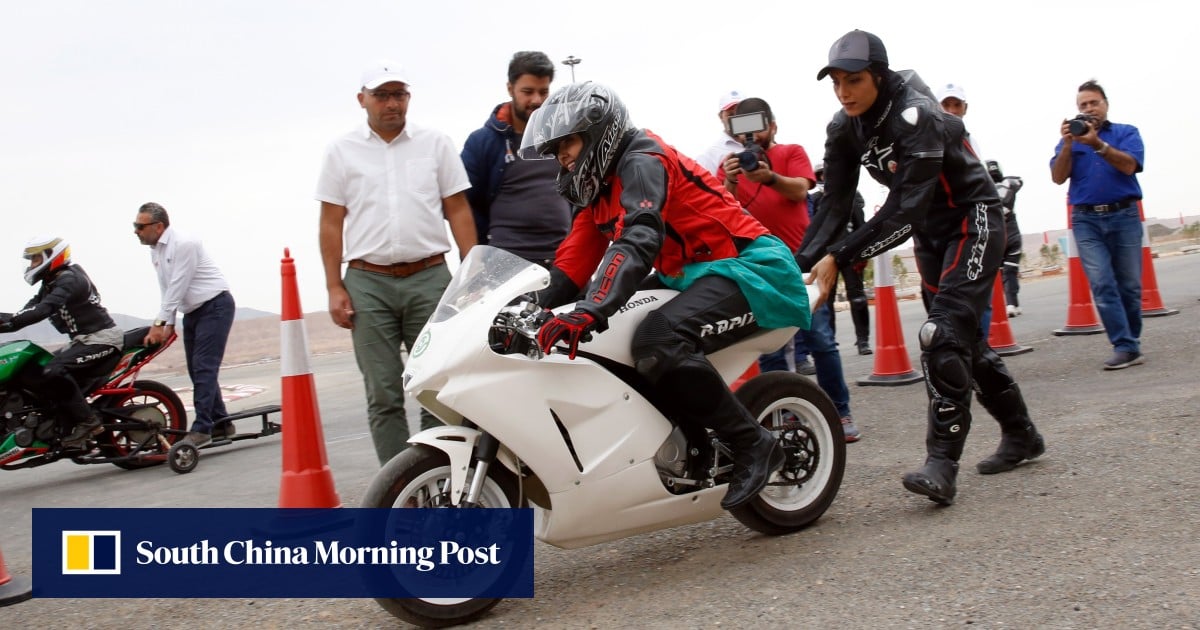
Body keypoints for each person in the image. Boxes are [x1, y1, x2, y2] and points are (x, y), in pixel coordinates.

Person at [521, 82, 811, 509]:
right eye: (555, 148)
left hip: (751, 265)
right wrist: (527, 308)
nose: (562, 155)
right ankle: (683, 437)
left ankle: (753, 444)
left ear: (600, 132)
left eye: (568, 142)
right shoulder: (598, 190)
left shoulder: (642, 161)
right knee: (611, 340)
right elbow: (571, 265)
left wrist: (591, 309)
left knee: (657, 340)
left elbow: (638, 236)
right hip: (690, 274)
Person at [805, 30, 1045, 506]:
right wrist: (800, 263)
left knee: (939, 335)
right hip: (932, 234)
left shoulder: (917, 114)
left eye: (853, 80)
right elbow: (832, 206)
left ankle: (942, 464)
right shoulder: (843, 126)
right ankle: (1022, 435)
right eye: (835, 82)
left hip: (973, 220)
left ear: (878, 74)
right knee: (966, 344)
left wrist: (843, 255)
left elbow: (904, 211)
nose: (843, 91)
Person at [317, 59, 476, 466]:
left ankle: (437, 477)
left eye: (399, 95)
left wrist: (471, 273)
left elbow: (457, 209)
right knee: (383, 392)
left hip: (429, 278)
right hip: (368, 284)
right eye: (382, 95)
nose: (392, 104)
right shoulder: (341, 152)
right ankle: (398, 487)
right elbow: (331, 223)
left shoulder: (435, 144)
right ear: (362, 100)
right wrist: (335, 286)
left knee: (435, 386)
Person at [718, 97, 861, 443]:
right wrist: (732, 182)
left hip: (803, 260)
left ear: (773, 125)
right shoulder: (730, 165)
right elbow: (720, 209)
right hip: (757, 266)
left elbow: (801, 188)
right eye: (741, 128)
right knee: (768, 347)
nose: (750, 134)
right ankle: (783, 418)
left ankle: (839, 413)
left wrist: (768, 178)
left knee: (820, 340)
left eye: (757, 125)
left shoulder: (792, 152)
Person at [1050, 79, 1145, 370]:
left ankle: (1131, 342)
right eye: (1083, 105)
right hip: (1086, 219)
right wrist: (1068, 144)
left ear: (1106, 105)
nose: (1089, 109)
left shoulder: (1126, 133)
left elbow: (1130, 165)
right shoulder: (1071, 140)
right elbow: (1057, 176)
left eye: (1094, 103)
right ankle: (1124, 345)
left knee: (1129, 286)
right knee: (1102, 283)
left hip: (1124, 215)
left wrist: (1098, 145)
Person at [0, 236, 123, 448]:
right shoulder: (50, 284)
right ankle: (54, 422)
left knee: (53, 370)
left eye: (36, 259)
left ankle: (88, 421)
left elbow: (43, 310)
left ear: (52, 256)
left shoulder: (70, 279)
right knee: (32, 370)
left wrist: (11, 321)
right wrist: (5, 321)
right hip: (80, 342)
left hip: (102, 339)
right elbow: (25, 312)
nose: (32, 265)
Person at [135, 203, 236, 449]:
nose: (136, 231)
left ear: (159, 226)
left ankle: (203, 428)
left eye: (140, 226)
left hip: (214, 306)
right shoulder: (155, 250)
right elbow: (166, 288)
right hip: (192, 312)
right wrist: (168, 322)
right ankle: (221, 422)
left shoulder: (184, 243)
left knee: (204, 367)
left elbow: (179, 285)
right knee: (196, 369)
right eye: (134, 226)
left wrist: (159, 323)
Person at [461, 51, 571, 268]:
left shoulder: (567, 139)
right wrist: (477, 261)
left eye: (543, 92)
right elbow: (462, 206)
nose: (537, 100)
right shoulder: (482, 142)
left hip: (563, 263)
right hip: (504, 265)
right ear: (510, 88)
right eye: (527, 92)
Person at [809, 161, 872, 355]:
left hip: (850, 253)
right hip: (824, 256)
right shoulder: (815, 199)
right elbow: (811, 228)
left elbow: (861, 224)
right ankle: (830, 341)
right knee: (825, 300)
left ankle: (863, 340)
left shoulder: (853, 195)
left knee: (858, 297)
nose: (826, 178)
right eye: (822, 175)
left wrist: (863, 251)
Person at [987, 160, 1025, 317]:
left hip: (1001, 234)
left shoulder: (984, 188)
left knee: (1005, 271)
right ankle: (1011, 304)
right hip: (1006, 234)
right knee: (1007, 271)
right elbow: (1019, 180)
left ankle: (1010, 304)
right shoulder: (1008, 184)